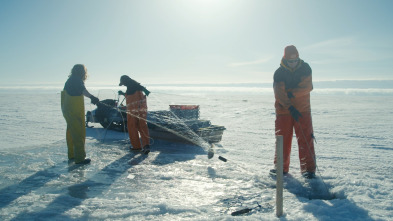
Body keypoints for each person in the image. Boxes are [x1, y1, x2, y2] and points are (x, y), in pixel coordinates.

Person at [271, 45, 316, 179]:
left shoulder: (305, 68)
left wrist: (290, 94)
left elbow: (307, 87)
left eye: (295, 60)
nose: (293, 63)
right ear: (285, 59)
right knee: (282, 139)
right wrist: (289, 106)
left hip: (303, 110)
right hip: (284, 111)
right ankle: (280, 167)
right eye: (290, 61)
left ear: (298, 58)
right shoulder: (279, 73)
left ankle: (308, 169)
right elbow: (279, 93)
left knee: (306, 139)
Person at [61, 64, 99, 164]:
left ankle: (72, 154)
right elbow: (83, 90)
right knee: (78, 133)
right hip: (74, 110)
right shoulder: (77, 80)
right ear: (82, 72)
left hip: (67, 109)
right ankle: (80, 158)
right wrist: (92, 97)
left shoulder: (70, 80)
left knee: (71, 132)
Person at [118, 75, 151, 154]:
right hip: (141, 110)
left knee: (132, 127)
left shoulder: (134, 85)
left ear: (125, 81)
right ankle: (146, 146)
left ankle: (136, 147)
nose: (124, 85)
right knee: (142, 126)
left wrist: (145, 90)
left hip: (133, 111)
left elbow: (137, 92)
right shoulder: (132, 86)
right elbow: (131, 95)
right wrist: (123, 93)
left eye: (123, 83)